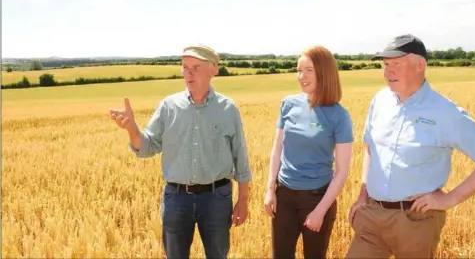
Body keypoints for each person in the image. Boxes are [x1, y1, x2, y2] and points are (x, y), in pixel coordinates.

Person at [346, 34, 475, 258]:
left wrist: (450, 199)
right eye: (385, 65)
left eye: (396, 64)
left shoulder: (446, 113)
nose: (388, 71)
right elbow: (371, 149)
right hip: (372, 215)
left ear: (420, 65)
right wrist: (362, 193)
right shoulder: (380, 100)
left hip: (415, 220)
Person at [108, 44, 252, 259]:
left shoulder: (227, 108)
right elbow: (147, 147)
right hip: (176, 198)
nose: (188, 73)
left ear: (213, 70)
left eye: (195, 67)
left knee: (218, 255)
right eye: (185, 67)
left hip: (217, 198)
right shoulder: (169, 106)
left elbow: (240, 156)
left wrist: (243, 200)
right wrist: (131, 128)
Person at [264, 45, 354, 259]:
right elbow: (277, 150)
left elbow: (342, 171)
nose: (301, 76)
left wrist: (320, 211)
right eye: (298, 70)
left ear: (324, 72)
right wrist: (270, 189)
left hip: (317, 198)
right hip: (284, 195)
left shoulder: (339, 116)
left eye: (308, 70)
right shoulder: (288, 105)